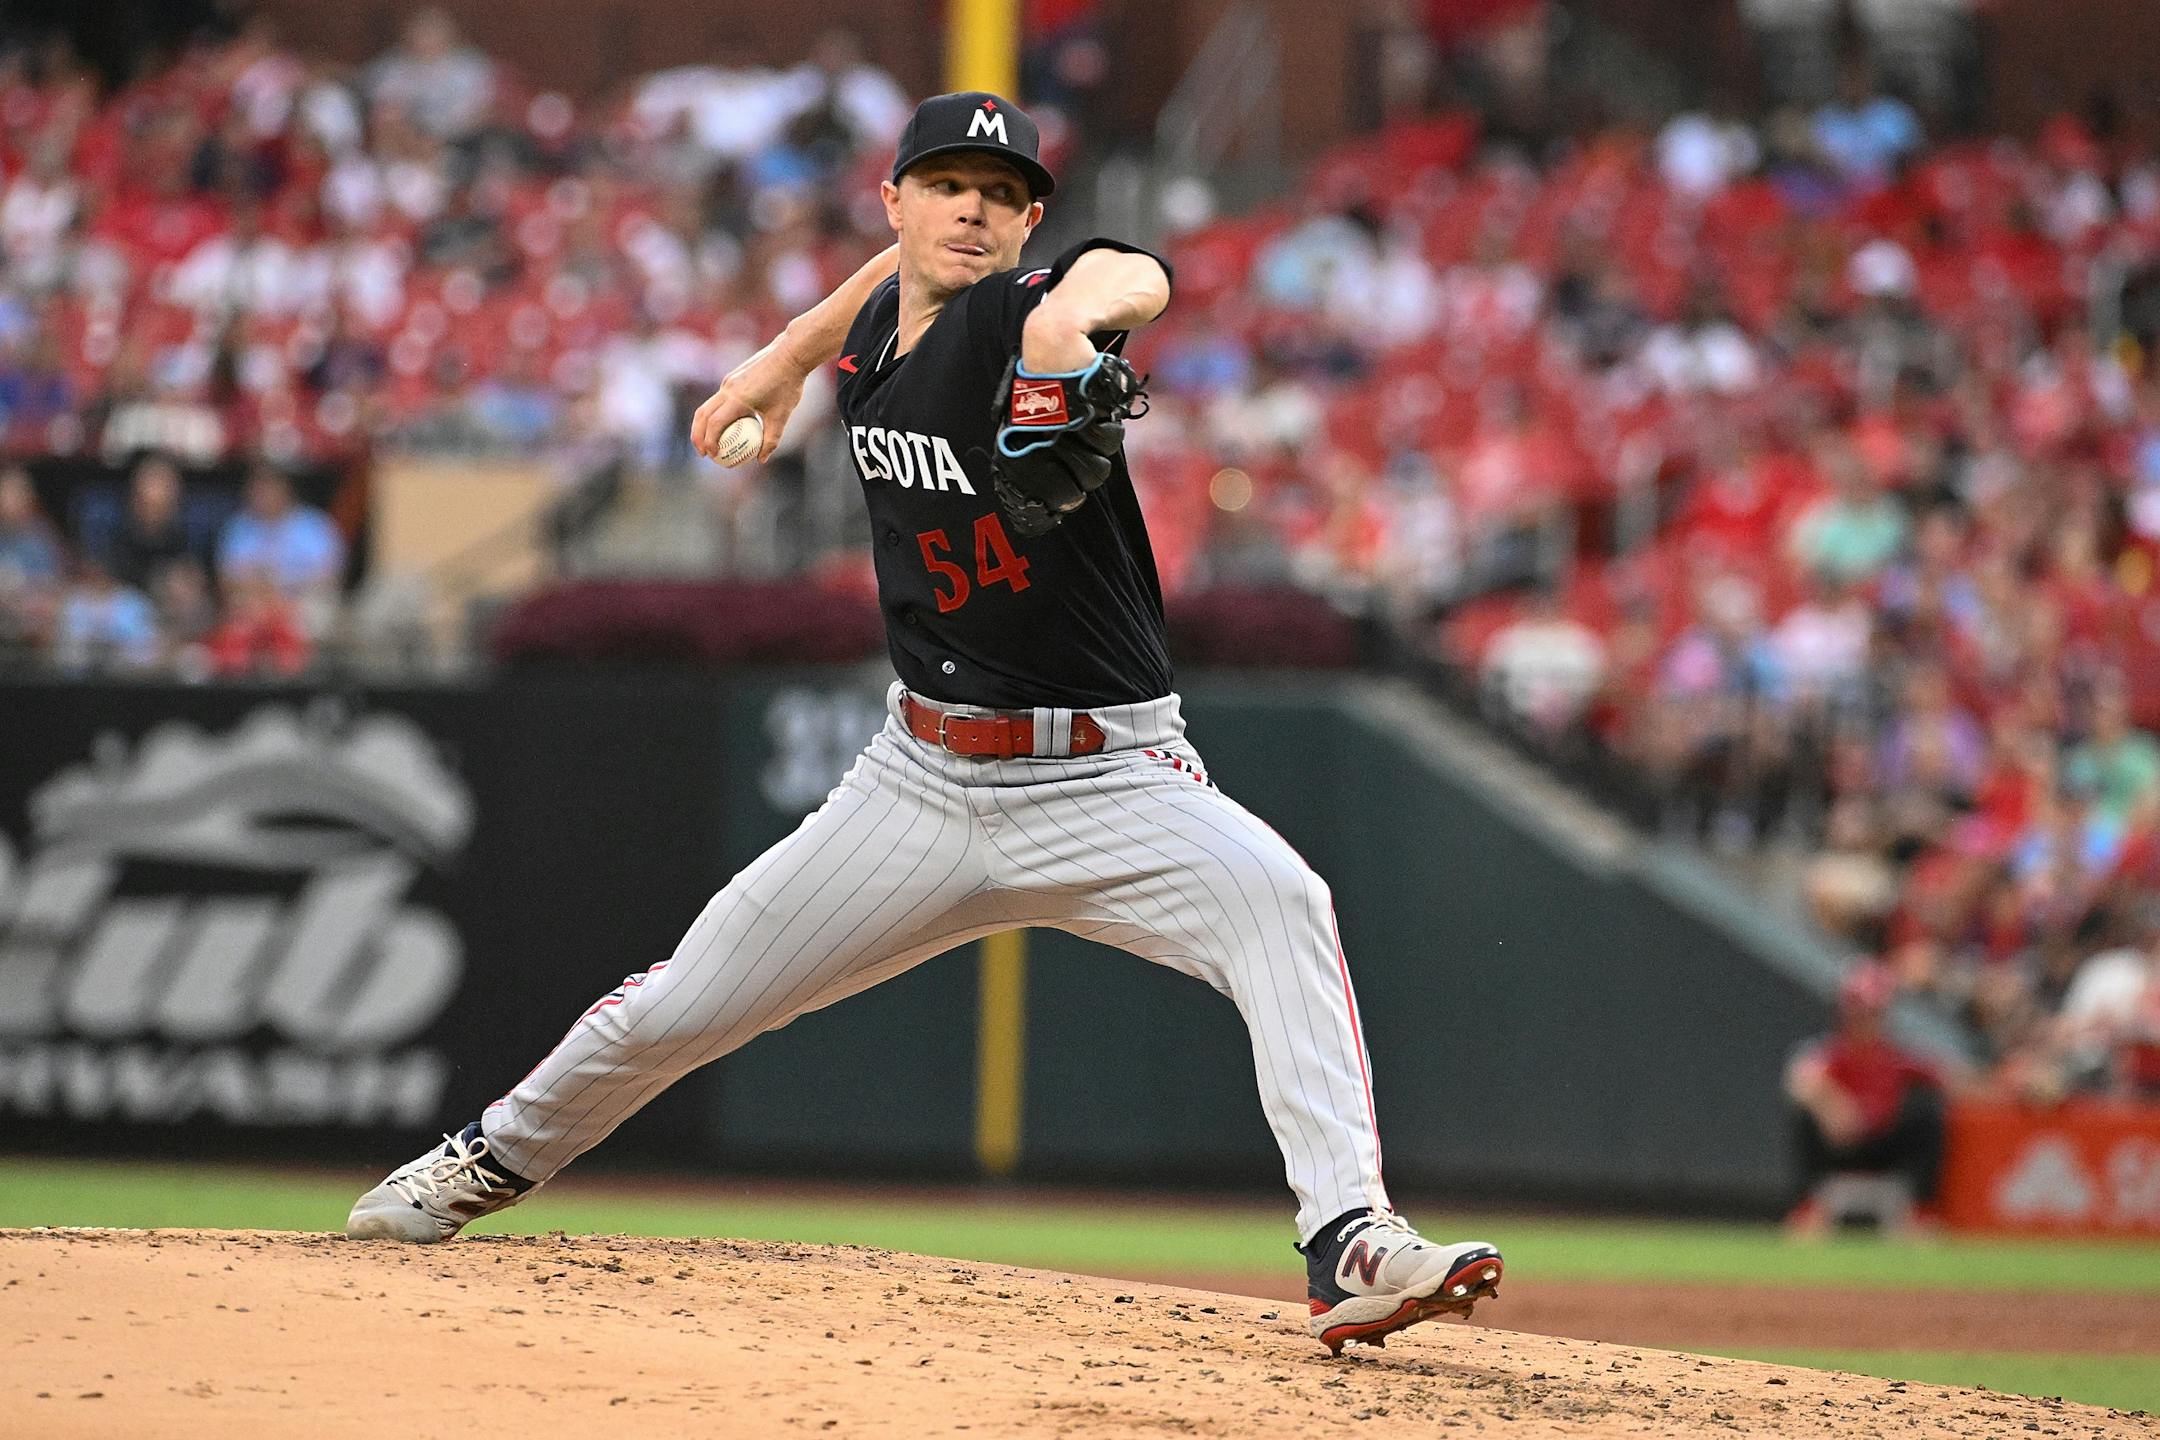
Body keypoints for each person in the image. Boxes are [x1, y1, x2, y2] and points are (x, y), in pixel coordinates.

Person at [348, 91, 1503, 1355]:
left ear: (1029, 227)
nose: (974, 207)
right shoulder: (877, 331)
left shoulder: (1023, 310)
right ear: (893, 201)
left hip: (1110, 776)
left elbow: (1135, 277)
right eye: (947, 183)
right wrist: (783, 357)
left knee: (1285, 902)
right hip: (919, 780)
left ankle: (1351, 1240)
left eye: (1002, 195)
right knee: (683, 1007)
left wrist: (1069, 327)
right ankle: (484, 1160)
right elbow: (868, 300)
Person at [1783, 964, 1948, 1235]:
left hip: (1885, 1146)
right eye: (1858, 1013)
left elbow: (1951, 1080)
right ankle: (1807, 1208)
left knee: (1927, 1112)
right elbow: (1800, 1080)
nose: (1865, 1021)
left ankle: (1920, 1211)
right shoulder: (1831, 1052)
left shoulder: (1897, 1056)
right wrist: (1832, 1103)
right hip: (1841, 1147)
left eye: (1872, 1014)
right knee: (1803, 1116)